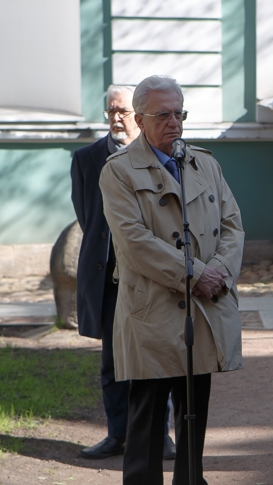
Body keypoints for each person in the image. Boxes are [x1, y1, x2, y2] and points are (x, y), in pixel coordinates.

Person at [99, 75, 244, 485]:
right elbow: (134, 241)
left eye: (179, 114)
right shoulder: (118, 171)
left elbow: (233, 226)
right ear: (140, 118)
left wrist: (218, 271)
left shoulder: (204, 164)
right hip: (152, 313)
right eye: (163, 115)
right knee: (146, 424)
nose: (174, 123)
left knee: (193, 419)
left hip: (202, 309)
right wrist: (195, 273)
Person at [70, 85, 176, 461]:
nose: (116, 118)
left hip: (152, 276)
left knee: (156, 355)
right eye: (111, 111)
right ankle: (118, 434)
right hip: (109, 278)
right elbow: (88, 217)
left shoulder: (160, 155)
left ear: (140, 116)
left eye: (123, 111)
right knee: (113, 361)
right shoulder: (86, 159)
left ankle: (160, 435)